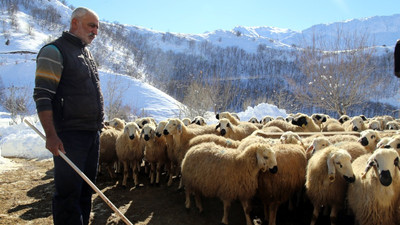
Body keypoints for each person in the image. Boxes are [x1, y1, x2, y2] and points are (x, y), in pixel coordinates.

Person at [33, 7, 104, 225]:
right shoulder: (54, 51)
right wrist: (51, 135)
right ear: (75, 23)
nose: (95, 32)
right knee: (68, 195)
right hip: (69, 136)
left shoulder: (85, 53)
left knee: (85, 190)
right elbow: (43, 95)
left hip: (91, 134)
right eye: (91, 25)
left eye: (97, 27)